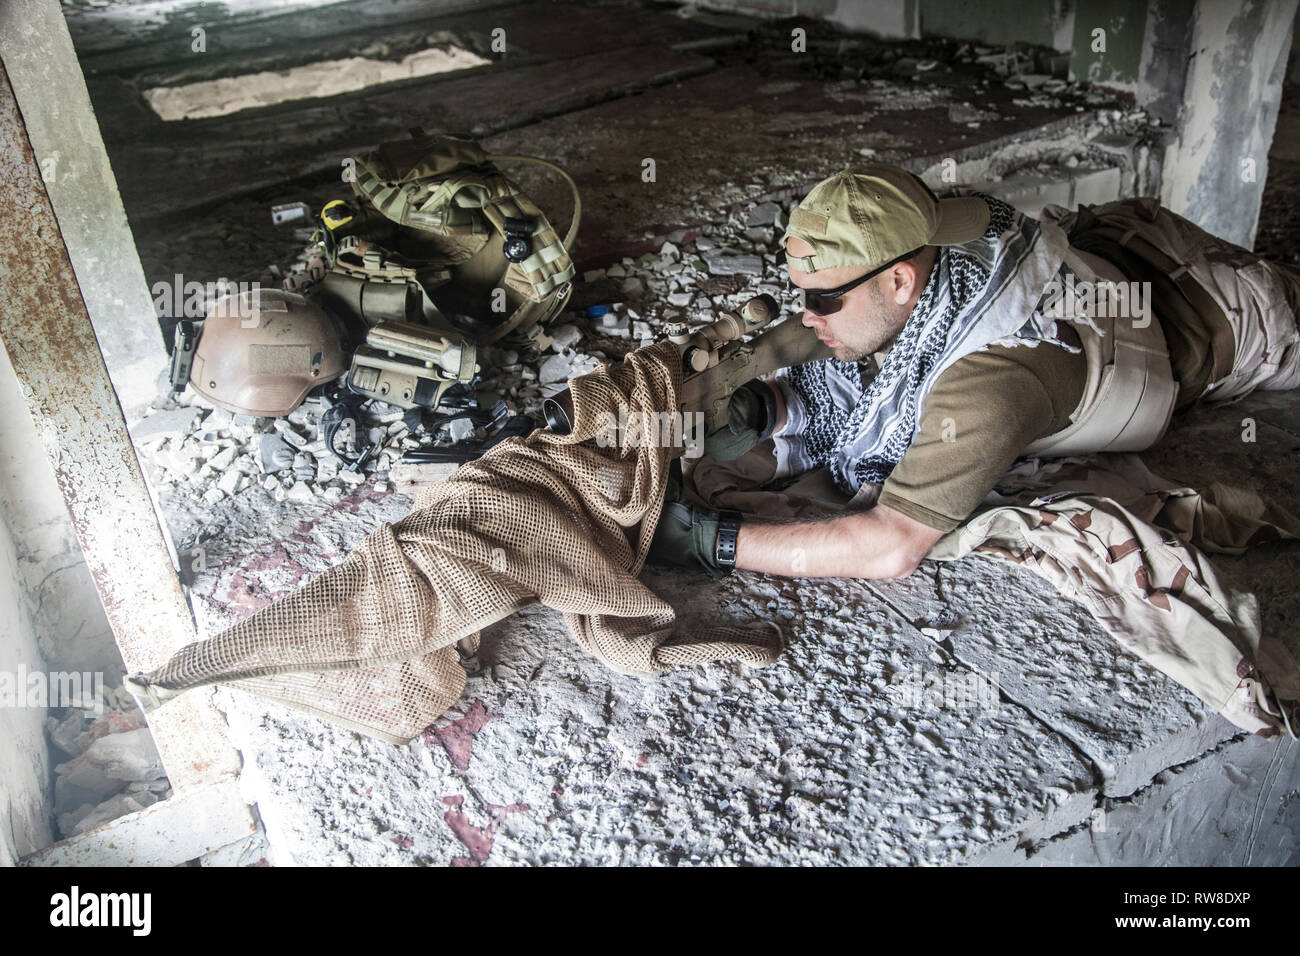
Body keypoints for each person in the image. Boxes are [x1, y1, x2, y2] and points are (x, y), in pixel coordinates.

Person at [647, 164, 1300, 579]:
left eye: (822, 299)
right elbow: (863, 356)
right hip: (1121, 235)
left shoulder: (990, 380)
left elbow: (892, 544)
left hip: (1227, 312)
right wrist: (765, 407)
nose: (806, 316)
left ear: (901, 279)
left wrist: (714, 542)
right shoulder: (930, 233)